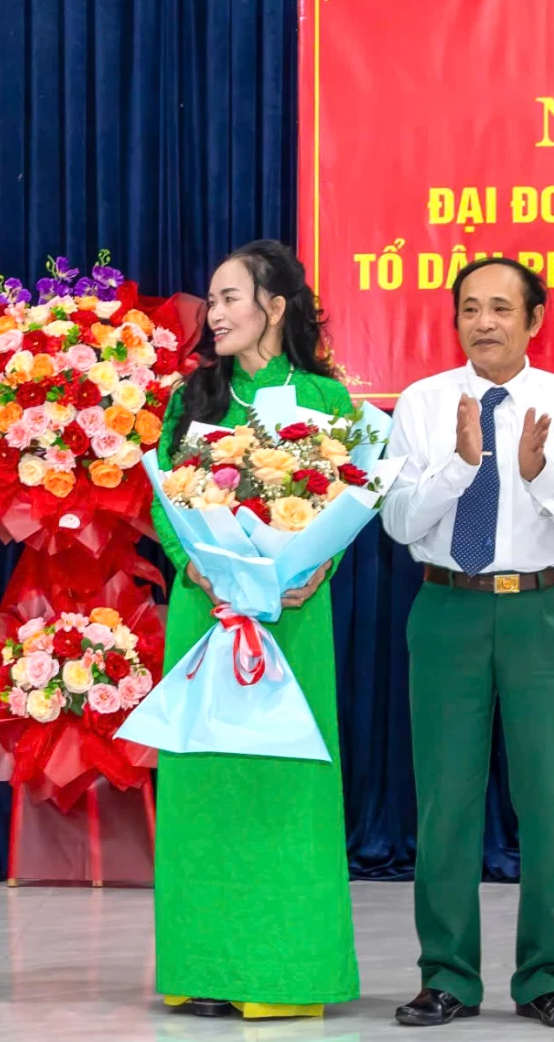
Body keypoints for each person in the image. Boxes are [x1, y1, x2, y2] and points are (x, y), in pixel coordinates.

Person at [382, 257, 554, 1031]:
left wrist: (539, 475)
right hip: (448, 609)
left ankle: (548, 977)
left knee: (550, 803)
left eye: (501, 308)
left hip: (543, 612)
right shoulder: (421, 403)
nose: (484, 322)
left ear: (535, 319)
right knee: (445, 801)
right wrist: (460, 466)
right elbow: (398, 522)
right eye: (470, 308)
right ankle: (445, 975)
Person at [150, 239, 360, 1020]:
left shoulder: (327, 398)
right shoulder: (194, 396)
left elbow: (348, 500)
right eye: (212, 300)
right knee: (205, 784)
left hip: (291, 619)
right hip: (206, 615)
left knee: (284, 785)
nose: (216, 313)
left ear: (275, 305)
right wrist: (195, 563)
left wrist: (313, 568)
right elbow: (162, 499)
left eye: (231, 297)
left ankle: (284, 973)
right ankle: (199, 965)